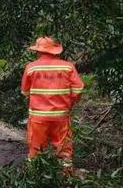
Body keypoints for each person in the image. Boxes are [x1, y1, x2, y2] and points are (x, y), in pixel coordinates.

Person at [21, 37, 84, 176]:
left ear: (38, 51)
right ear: (55, 51)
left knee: (36, 150)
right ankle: (66, 179)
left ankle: (35, 179)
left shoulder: (31, 67)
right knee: (63, 151)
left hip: (38, 118)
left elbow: (25, 92)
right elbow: (78, 89)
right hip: (61, 116)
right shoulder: (68, 66)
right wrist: (69, 104)